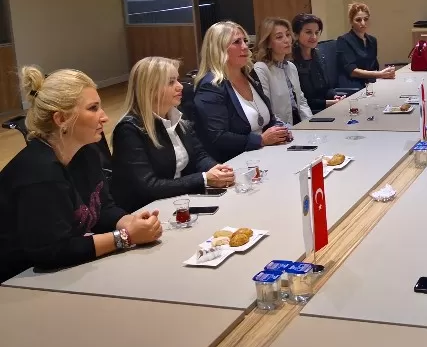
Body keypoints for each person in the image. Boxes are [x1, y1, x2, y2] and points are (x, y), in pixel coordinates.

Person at [0, 67, 162, 283]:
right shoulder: (40, 172)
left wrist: (129, 222)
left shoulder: (86, 152)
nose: (104, 117)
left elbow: (102, 208)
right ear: (61, 119)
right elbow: (52, 252)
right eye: (93, 108)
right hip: (17, 283)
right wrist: (125, 237)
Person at [111, 57, 235, 212]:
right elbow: (148, 186)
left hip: (178, 200)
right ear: (150, 89)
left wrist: (217, 169)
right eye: (171, 82)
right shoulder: (129, 130)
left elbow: (199, 155)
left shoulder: (177, 115)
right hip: (147, 211)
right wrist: (203, 178)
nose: (180, 86)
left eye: (177, 79)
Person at [193, 21, 291, 163]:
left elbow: (268, 118)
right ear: (218, 49)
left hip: (265, 155)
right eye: (237, 42)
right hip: (235, 162)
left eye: (245, 41)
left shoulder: (249, 76)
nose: (245, 47)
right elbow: (218, 137)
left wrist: (280, 132)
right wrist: (261, 140)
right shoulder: (211, 86)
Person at [253, 17, 313, 125]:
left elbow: (301, 101)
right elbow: (266, 110)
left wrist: (310, 123)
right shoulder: (261, 69)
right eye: (279, 37)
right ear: (268, 43)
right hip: (279, 127)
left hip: (298, 122)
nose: (287, 40)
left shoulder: (291, 66)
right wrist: (287, 129)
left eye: (288, 35)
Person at [291, 13, 346, 114]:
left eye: (317, 32)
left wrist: (334, 96)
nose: (314, 37)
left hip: (326, 108)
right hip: (308, 114)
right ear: (296, 34)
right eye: (308, 32)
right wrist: (328, 103)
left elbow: (326, 88)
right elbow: (302, 101)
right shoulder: (291, 63)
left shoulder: (319, 56)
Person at [336, 2, 395, 90]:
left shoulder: (372, 40)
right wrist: (380, 74)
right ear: (351, 21)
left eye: (366, 19)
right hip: (354, 86)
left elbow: (374, 67)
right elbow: (352, 71)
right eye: (358, 20)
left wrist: (386, 72)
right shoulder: (343, 40)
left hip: (371, 83)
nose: (363, 23)